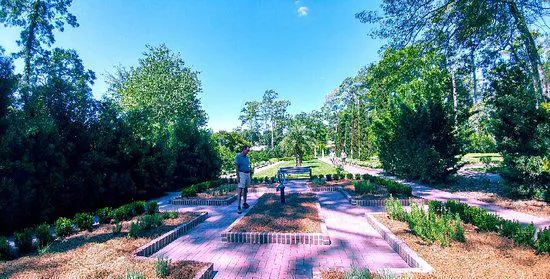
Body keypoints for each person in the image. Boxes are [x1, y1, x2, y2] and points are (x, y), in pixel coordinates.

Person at [235, 145, 252, 214]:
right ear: (244, 150)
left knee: (245, 189)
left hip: (247, 174)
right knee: (240, 190)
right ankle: (238, 206)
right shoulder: (238, 156)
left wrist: (250, 172)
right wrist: (238, 176)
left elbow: (247, 165)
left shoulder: (247, 157)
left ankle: (244, 203)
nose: (248, 152)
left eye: (248, 150)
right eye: (247, 150)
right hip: (241, 174)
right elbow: (236, 167)